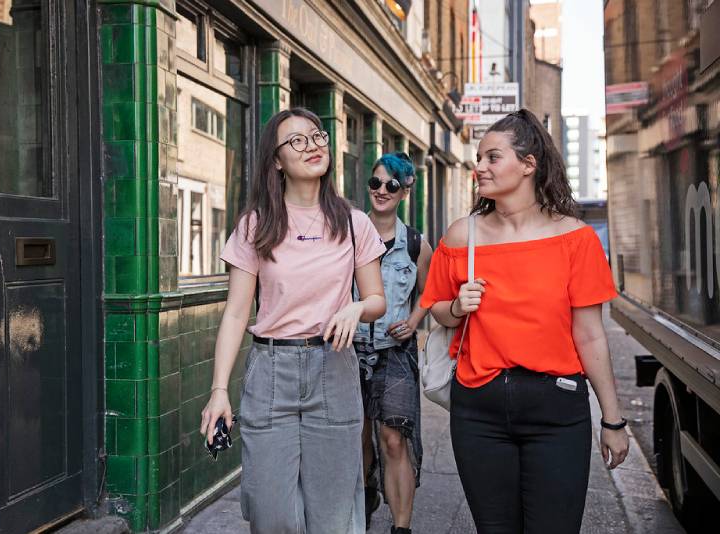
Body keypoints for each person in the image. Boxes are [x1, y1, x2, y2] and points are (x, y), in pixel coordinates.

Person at [420, 109, 630, 533]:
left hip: (557, 409)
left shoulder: (575, 239)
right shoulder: (463, 236)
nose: (479, 167)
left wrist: (612, 419)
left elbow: (590, 336)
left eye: (492, 158)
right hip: (478, 413)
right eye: (479, 157)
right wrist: (458, 307)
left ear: (528, 164)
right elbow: (437, 309)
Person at [199, 107, 387, 534]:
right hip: (270, 374)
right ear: (276, 161)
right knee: (272, 515)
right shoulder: (256, 225)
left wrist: (356, 308)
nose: (313, 145)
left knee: (333, 517)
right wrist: (218, 390)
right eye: (297, 141)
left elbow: (377, 300)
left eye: (317, 136)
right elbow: (234, 312)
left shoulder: (354, 223)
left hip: (333, 369)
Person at [353, 153, 432, 534]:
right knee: (357, 435)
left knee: (393, 438)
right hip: (347, 350)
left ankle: (401, 527)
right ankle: (367, 488)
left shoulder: (416, 244)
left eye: (391, 186)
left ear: (405, 192)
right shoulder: (347, 235)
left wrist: (413, 322)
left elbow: (428, 294)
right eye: (375, 183)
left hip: (394, 353)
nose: (381, 191)